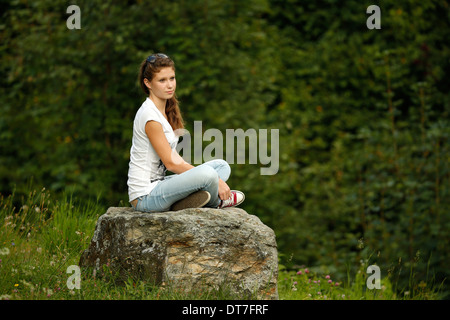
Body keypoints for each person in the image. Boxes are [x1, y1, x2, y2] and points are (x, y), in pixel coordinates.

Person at [127, 53, 245, 212]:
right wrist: (213, 179)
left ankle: (186, 200)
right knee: (209, 175)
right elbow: (170, 163)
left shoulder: (163, 112)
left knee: (221, 166)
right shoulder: (150, 116)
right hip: (145, 196)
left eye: (172, 78)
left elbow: (175, 158)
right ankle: (215, 201)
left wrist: (199, 176)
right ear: (148, 83)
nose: (169, 85)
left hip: (160, 185)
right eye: (162, 80)